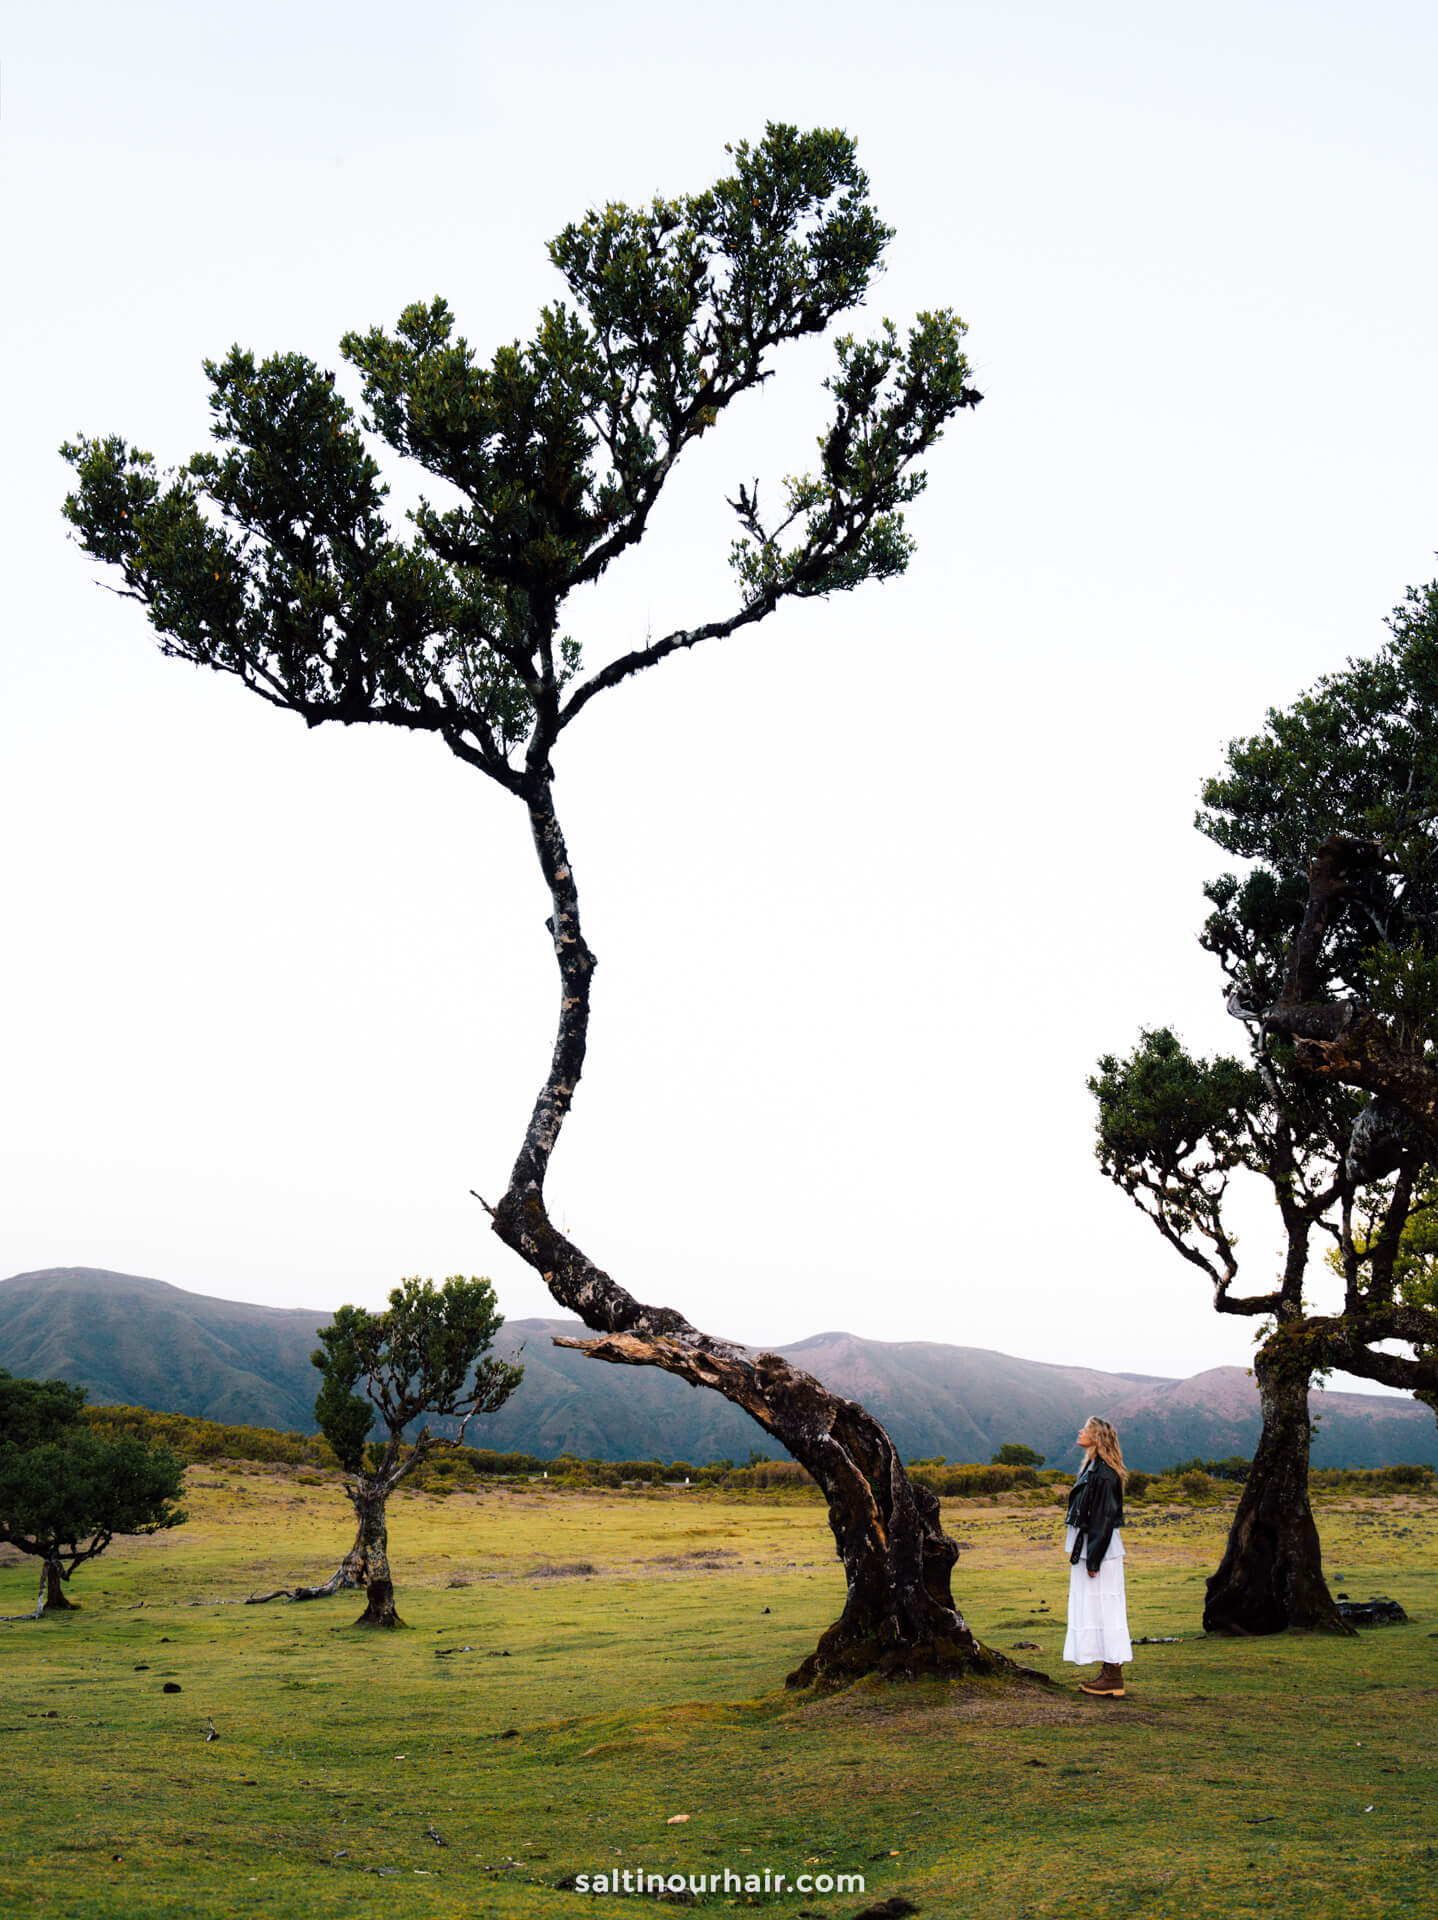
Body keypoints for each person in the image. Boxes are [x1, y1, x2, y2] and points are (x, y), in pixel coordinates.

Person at [1063, 1415, 1132, 1697]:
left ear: (1097, 1437)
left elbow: (1104, 1518)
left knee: (1106, 1609)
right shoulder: (1093, 1468)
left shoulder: (1103, 1473)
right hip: (1092, 1549)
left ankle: (1113, 1675)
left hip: (1099, 1552)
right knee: (1096, 1608)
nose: (1080, 1431)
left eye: (1087, 1429)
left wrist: (1093, 1560)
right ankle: (1108, 1673)